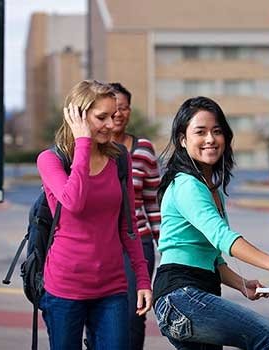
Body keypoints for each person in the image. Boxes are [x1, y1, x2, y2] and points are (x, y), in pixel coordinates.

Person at [152, 96, 269, 350]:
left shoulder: (209, 188)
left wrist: (242, 284)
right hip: (181, 296)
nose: (210, 139)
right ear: (183, 140)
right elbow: (223, 238)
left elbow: (213, 260)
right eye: (200, 132)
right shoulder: (186, 185)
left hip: (189, 295)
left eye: (217, 131)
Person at [36, 80, 152, 349]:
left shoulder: (119, 157)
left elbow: (128, 224)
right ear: (77, 116)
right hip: (65, 288)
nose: (112, 125)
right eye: (102, 117)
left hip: (112, 288)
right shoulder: (50, 160)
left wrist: (143, 279)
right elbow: (74, 202)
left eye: (113, 116)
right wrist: (83, 143)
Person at [110, 82, 161, 349]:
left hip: (138, 242)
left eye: (125, 108)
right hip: (100, 244)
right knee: (102, 313)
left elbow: (153, 201)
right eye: (114, 108)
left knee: (134, 313)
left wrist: (165, 243)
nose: (119, 113)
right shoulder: (89, 150)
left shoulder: (143, 150)